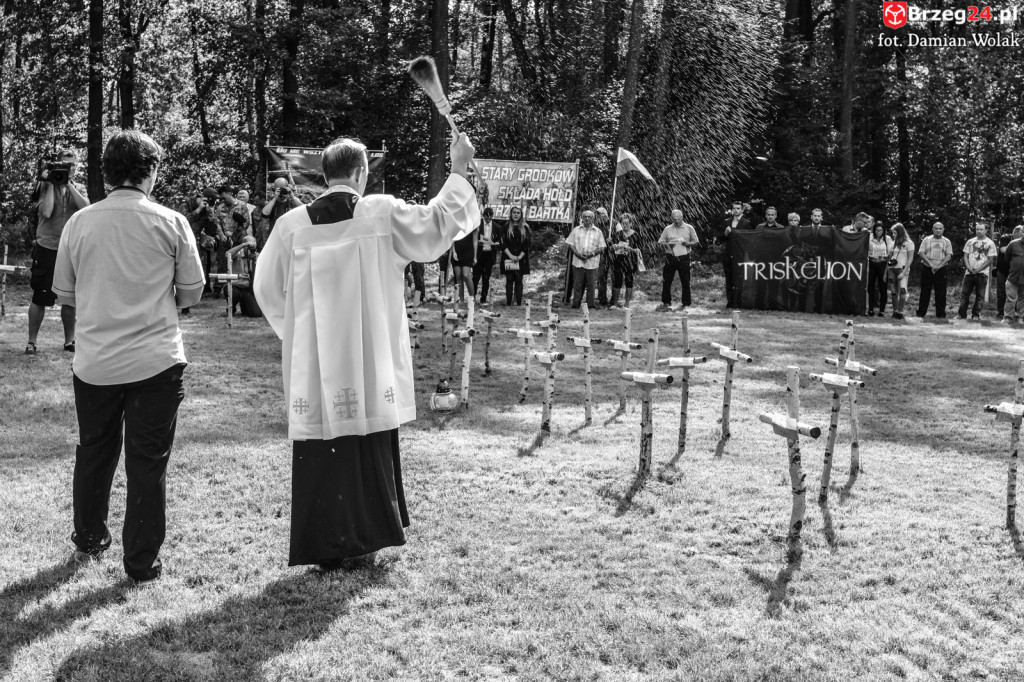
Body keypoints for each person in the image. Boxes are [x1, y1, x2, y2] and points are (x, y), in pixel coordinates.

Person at [254, 135, 479, 572]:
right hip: (370, 353)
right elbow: (436, 226)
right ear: (361, 173)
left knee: (322, 443)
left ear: (324, 175)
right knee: (368, 435)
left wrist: (297, 335)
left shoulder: (292, 225)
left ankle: (325, 544)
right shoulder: (380, 212)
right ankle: (366, 539)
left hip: (316, 360)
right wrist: (458, 169)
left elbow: (265, 288)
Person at [51, 130, 204, 585]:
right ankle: (140, 563)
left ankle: (89, 536)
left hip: (95, 360)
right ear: (150, 171)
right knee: (147, 462)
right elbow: (191, 291)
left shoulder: (80, 223)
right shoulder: (170, 221)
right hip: (155, 359)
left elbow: (65, 294)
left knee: (93, 452)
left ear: (107, 173)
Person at [26, 149, 89, 354]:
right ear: (56, 165)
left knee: (70, 296)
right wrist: (53, 182)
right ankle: (31, 341)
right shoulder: (45, 186)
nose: (66, 169)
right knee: (40, 295)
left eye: (70, 165)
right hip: (47, 247)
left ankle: (70, 341)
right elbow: (46, 211)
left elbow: (85, 209)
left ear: (76, 167)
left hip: (70, 247)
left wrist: (68, 184)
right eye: (62, 164)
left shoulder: (78, 187)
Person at [657, 209, 700, 310]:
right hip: (670, 257)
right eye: (674, 219)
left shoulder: (689, 228)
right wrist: (668, 245)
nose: (676, 221)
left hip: (684, 256)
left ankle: (686, 304)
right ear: (671, 218)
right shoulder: (667, 229)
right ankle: (666, 303)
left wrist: (687, 243)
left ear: (682, 217)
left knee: (685, 280)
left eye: (678, 219)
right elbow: (660, 243)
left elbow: (696, 242)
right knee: (666, 280)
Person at [566, 210, 606, 309]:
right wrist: (577, 254)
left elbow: (602, 247)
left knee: (591, 286)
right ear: (582, 218)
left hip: (592, 263)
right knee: (577, 285)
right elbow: (570, 244)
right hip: (578, 261)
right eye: (585, 216)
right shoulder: (576, 230)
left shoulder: (598, 231)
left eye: (589, 217)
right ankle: (576, 305)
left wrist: (591, 254)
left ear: (593, 218)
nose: (587, 219)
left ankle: (590, 306)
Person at [957, 223, 997, 321]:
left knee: (980, 296)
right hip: (969, 273)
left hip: (982, 274)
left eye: (981, 229)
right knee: (964, 295)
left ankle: (975, 315)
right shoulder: (970, 242)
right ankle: (961, 314)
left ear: (986, 231)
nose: (979, 231)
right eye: (977, 229)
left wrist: (978, 270)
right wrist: (969, 268)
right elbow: (965, 256)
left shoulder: (990, 243)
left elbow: (991, 260)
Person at [716, 200, 751, 308]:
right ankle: (730, 302)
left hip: (740, 254)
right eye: (734, 208)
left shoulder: (746, 223)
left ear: (742, 210)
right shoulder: (726, 222)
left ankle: (738, 302)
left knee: (738, 279)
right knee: (729, 279)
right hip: (728, 254)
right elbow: (719, 240)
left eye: (738, 208)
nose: (736, 210)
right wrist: (725, 234)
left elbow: (749, 240)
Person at [916, 221, 953, 319]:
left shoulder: (947, 241)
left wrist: (939, 266)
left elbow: (948, 256)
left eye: (940, 229)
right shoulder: (926, 240)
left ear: (943, 230)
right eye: (936, 228)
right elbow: (921, 253)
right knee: (925, 292)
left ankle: (940, 314)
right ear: (932, 229)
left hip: (941, 269)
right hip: (927, 268)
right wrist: (931, 265)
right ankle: (921, 313)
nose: (938, 230)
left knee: (941, 293)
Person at [609, 212, 641, 308]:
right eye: (623, 223)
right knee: (617, 281)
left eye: (627, 223)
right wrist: (614, 246)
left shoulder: (636, 235)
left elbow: (638, 250)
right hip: (618, 260)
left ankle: (626, 304)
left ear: (631, 223)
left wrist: (630, 249)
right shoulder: (617, 234)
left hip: (631, 261)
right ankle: (615, 304)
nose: (625, 225)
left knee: (629, 281)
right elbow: (611, 248)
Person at [224, 236, 262, 317]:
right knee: (234, 293)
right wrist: (243, 245)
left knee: (256, 314)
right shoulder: (237, 254)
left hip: (247, 289)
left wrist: (255, 260)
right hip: (234, 286)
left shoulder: (257, 256)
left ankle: (244, 306)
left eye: (253, 245)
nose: (250, 248)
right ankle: (231, 308)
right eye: (248, 245)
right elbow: (227, 254)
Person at [501, 205, 531, 306]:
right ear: (511, 214)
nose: (516, 215)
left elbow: (527, 244)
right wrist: (511, 256)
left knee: (519, 280)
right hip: (508, 257)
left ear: (521, 215)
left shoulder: (525, 227)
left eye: (518, 213)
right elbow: (502, 243)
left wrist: (519, 257)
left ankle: (518, 304)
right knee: (509, 280)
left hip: (520, 258)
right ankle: (508, 303)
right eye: (514, 212)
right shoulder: (505, 226)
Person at [887, 223, 915, 320]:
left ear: (900, 232)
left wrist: (904, 272)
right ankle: (895, 311)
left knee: (903, 290)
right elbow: (889, 258)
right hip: (892, 269)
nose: (893, 235)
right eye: (892, 233)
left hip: (902, 269)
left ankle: (900, 311)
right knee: (893, 291)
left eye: (895, 233)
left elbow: (910, 258)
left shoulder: (909, 243)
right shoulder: (892, 243)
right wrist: (887, 270)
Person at [472, 207, 498, 304]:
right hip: (479, 254)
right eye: (486, 218)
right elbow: (473, 238)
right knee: (475, 277)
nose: (488, 219)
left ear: (492, 216)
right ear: (483, 216)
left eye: (490, 217)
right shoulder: (478, 225)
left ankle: (483, 298)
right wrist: (478, 243)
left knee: (486, 278)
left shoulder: (496, 227)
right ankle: (472, 297)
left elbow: (500, 241)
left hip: (489, 255)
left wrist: (495, 244)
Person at [867, 221, 893, 317]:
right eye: (877, 230)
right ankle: (870, 309)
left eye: (880, 230)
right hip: (872, 263)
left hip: (882, 264)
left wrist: (886, 263)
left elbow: (890, 253)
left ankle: (882, 310)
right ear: (874, 230)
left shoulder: (888, 239)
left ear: (883, 231)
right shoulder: (869, 237)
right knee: (871, 287)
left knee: (883, 287)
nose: (878, 232)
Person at [995, 226, 1021, 319]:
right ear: (1016, 233)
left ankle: (1016, 313)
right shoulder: (1005, 237)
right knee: (1002, 292)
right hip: (1002, 270)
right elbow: (1003, 250)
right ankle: (1001, 312)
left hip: (1015, 272)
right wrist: (1014, 246)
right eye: (1021, 234)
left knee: (1017, 293)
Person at [450, 223, 477, 305]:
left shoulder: (473, 223)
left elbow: (475, 240)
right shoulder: (456, 221)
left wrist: (475, 256)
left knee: (466, 275)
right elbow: (452, 238)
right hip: (457, 249)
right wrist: (453, 252)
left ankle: (472, 298)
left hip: (468, 251)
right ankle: (461, 300)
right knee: (458, 276)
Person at [1003, 227, 1024, 323]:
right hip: (1013, 277)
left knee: (1022, 300)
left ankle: (1021, 318)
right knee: (1011, 299)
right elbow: (1006, 259)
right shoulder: (1013, 244)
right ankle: (1008, 317)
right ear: (1022, 233)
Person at [594, 206, 613, 306]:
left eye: (600, 214)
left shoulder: (614, 223)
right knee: (601, 277)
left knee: (613, 277)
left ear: (605, 215)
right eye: (597, 215)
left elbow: (622, 236)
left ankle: (614, 300)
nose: (598, 217)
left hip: (612, 253)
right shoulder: (596, 225)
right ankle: (602, 299)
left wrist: (612, 239)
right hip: (600, 253)